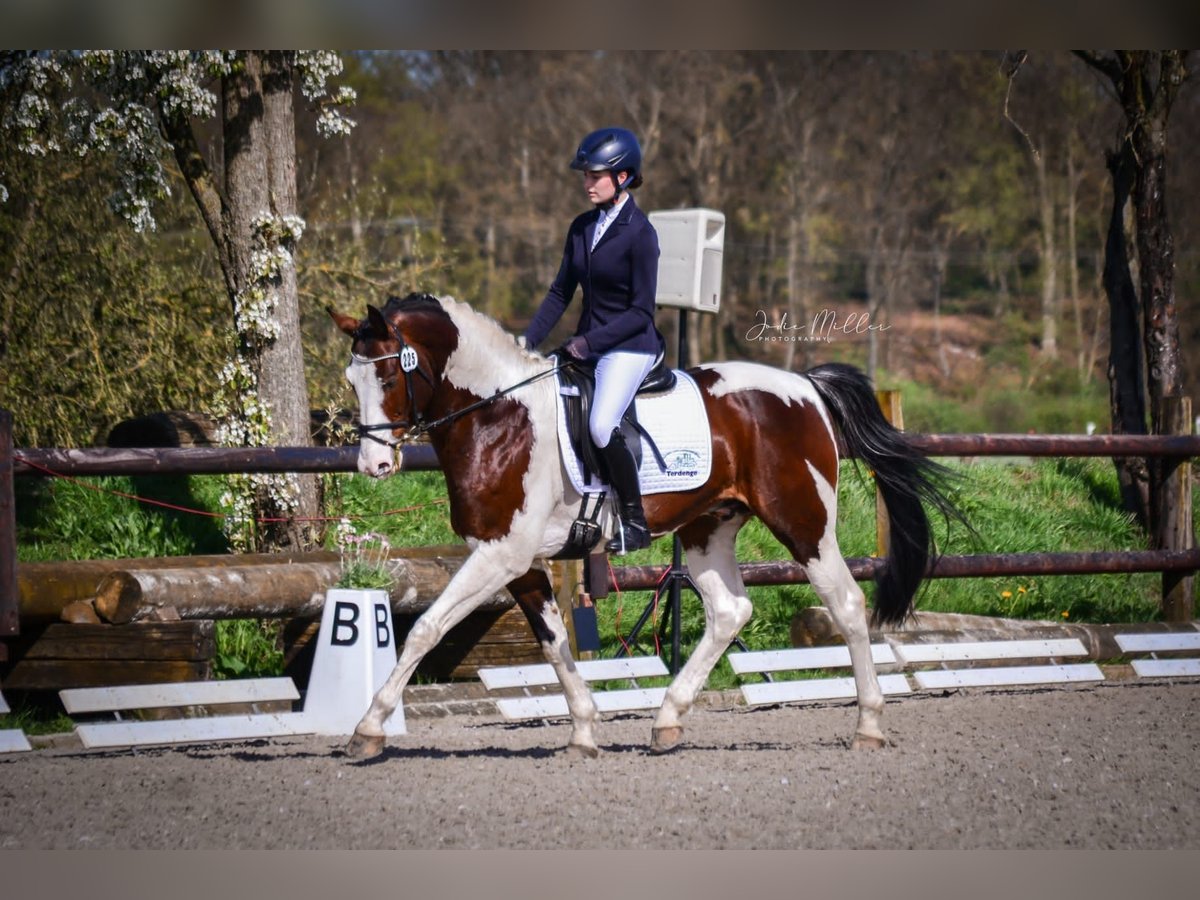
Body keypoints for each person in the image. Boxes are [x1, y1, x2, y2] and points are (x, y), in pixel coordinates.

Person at [523, 126, 665, 554]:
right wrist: (524, 344)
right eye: (585, 175)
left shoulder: (641, 235)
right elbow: (559, 293)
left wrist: (588, 343)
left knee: (601, 424)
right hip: (587, 342)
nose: (586, 183)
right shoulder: (582, 227)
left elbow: (641, 312)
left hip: (630, 345)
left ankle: (634, 522)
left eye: (594, 175)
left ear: (622, 177)